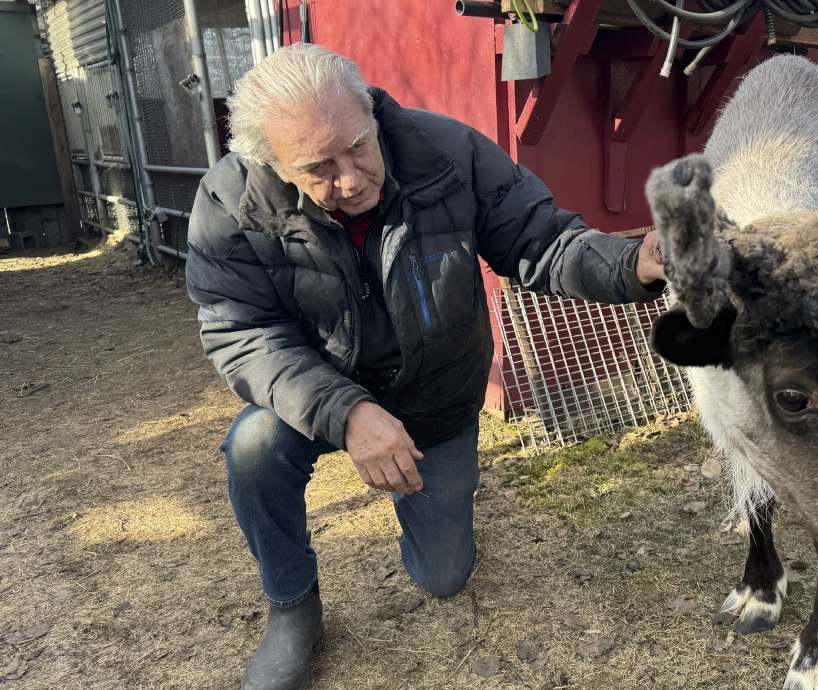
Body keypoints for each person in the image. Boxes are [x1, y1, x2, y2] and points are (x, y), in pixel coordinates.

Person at [184, 43, 665, 690]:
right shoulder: (229, 202)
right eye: (318, 167)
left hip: (437, 392)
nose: (350, 179)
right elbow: (242, 332)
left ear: (372, 112)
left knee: (443, 577)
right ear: (269, 161)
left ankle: (433, 520)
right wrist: (348, 413)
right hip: (319, 387)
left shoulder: (450, 153)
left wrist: (630, 263)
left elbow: (541, 240)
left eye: (357, 146)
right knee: (253, 445)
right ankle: (292, 608)